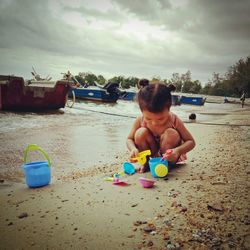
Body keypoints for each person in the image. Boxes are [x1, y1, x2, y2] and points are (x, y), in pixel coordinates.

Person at [126, 83, 196, 173]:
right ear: (141, 111)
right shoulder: (140, 119)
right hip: (152, 151)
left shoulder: (174, 120)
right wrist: (133, 149)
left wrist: (177, 151)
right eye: (148, 118)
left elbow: (191, 142)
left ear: (169, 108)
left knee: (171, 133)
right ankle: (147, 163)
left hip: (170, 156)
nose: (154, 122)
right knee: (140, 133)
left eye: (161, 118)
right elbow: (129, 139)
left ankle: (167, 164)